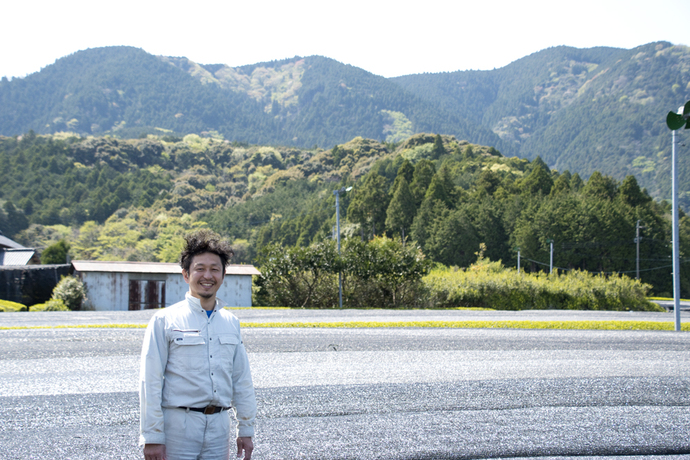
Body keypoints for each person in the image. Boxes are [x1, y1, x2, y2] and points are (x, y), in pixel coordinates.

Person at [139, 229, 256, 460]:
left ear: (223, 275)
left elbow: (241, 380)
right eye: (199, 269)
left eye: (215, 269)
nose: (207, 276)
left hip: (219, 428)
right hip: (178, 428)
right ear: (185, 274)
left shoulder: (231, 323)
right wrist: (152, 437)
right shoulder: (165, 321)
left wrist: (246, 428)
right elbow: (150, 381)